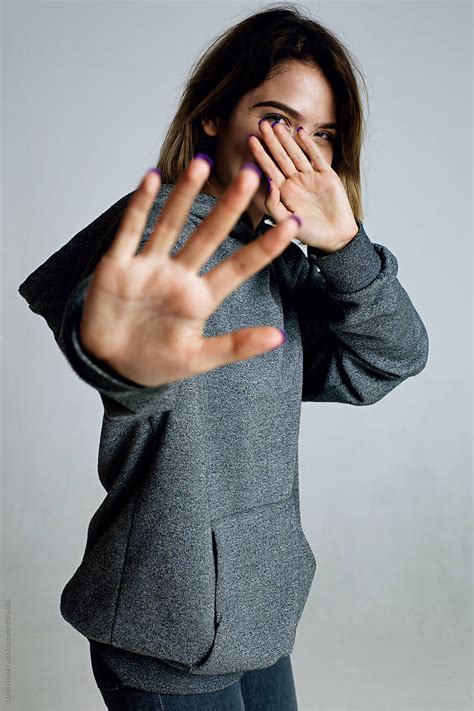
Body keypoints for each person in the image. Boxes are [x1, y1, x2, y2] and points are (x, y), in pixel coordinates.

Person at [18, 5, 429, 710]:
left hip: (254, 615)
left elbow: (394, 357)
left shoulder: (271, 255)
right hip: (166, 632)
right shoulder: (162, 239)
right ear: (214, 115)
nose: (302, 152)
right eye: (279, 120)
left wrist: (345, 247)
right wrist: (125, 364)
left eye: (323, 134)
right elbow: (115, 333)